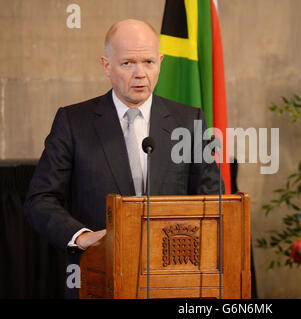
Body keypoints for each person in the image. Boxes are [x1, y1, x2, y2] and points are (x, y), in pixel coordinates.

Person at [24, 19, 222, 298]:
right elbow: (40, 199)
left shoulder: (189, 121)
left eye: (149, 62)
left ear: (161, 62)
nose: (140, 73)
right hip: (99, 277)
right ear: (106, 65)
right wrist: (81, 237)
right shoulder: (73, 122)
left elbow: (212, 198)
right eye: (128, 63)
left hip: (175, 278)